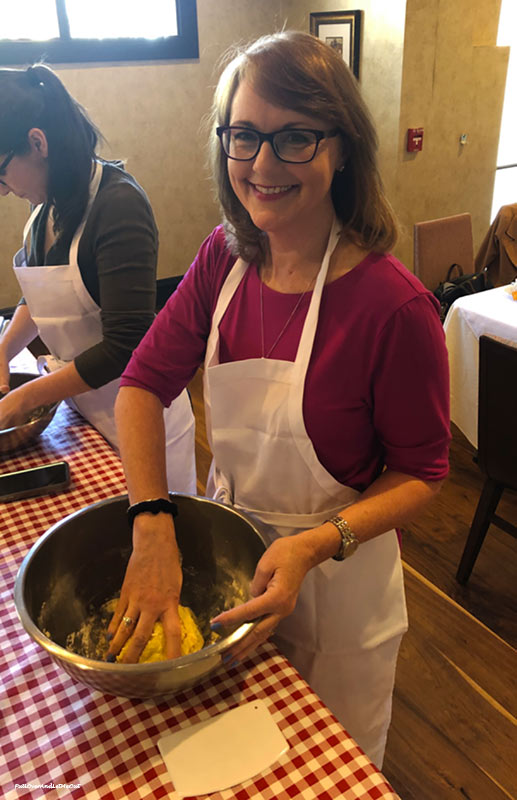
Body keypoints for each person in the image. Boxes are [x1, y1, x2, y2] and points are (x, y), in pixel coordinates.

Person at [108, 32, 450, 767]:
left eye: (294, 138)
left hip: (335, 584)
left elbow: (422, 471)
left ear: (342, 149)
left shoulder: (393, 307)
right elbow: (139, 385)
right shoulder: (222, 260)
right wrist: (152, 518)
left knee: (323, 770)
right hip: (228, 569)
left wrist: (313, 545)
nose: (261, 165)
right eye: (243, 136)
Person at [0, 64, 196, 493]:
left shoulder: (118, 207)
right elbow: (39, 296)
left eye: (0, 169)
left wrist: (26, 396)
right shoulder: (44, 208)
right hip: (87, 406)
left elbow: (126, 345)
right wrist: (4, 349)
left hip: (143, 416)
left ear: (38, 143)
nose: (1, 188)